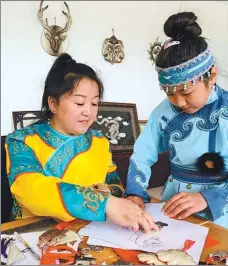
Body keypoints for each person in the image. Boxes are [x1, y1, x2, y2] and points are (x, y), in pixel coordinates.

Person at [5, 53, 159, 233]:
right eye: (79, 103)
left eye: (94, 104)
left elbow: (115, 183)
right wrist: (103, 203)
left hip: (92, 230)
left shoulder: (99, 141)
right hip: (36, 231)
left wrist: (111, 193)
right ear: (53, 104)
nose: (89, 112)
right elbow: (29, 188)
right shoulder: (22, 140)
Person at [125, 12, 228, 228]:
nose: (179, 102)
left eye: (187, 92)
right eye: (170, 93)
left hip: (222, 209)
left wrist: (206, 198)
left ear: (212, 75)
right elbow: (142, 155)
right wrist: (135, 193)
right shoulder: (164, 112)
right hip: (173, 203)